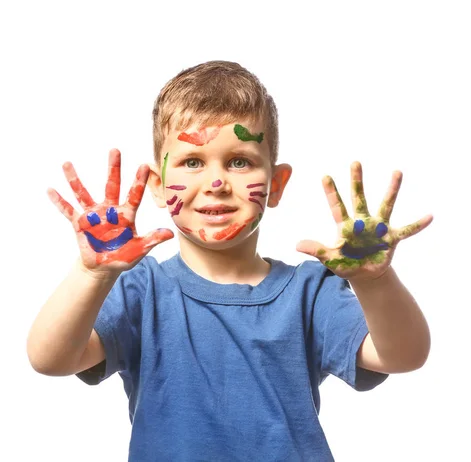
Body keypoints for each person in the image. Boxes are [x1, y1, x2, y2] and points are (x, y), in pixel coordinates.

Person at [27, 60, 433, 461]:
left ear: (276, 185)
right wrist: (90, 273)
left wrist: (376, 282)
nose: (217, 183)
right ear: (156, 184)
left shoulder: (310, 292)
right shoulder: (141, 289)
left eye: (239, 161)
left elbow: (403, 355)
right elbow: (51, 359)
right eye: (192, 162)